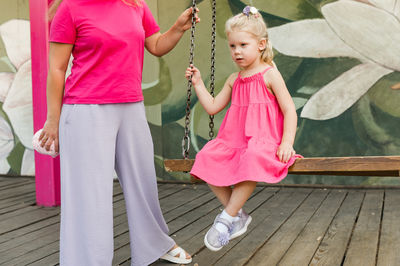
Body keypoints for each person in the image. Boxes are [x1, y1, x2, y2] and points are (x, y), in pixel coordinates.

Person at [39, 0, 198, 265]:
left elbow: (156, 45)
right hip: (86, 110)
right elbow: (56, 69)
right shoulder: (70, 8)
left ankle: (155, 245)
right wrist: (52, 120)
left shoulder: (135, 4)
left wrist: (178, 28)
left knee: (142, 182)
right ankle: (88, 260)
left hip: (131, 106)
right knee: (89, 193)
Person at [185, 6, 301, 252]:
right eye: (232, 46)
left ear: (260, 45)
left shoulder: (270, 75)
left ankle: (226, 218)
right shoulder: (233, 80)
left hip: (263, 141)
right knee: (205, 158)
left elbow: (289, 109)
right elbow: (213, 107)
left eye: (243, 45)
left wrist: (287, 142)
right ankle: (237, 215)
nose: (236, 51)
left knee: (252, 158)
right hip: (234, 140)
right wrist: (198, 84)